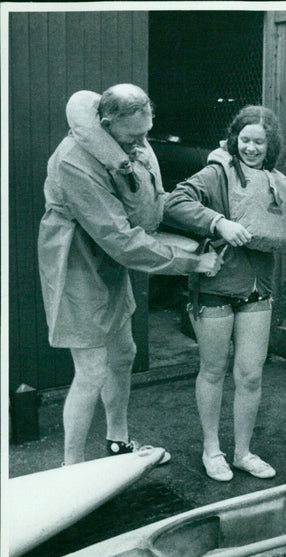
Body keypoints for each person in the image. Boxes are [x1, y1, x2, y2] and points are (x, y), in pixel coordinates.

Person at [38, 84, 222, 466]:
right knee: (90, 371)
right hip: (75, 262)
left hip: (108, 262)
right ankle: (69, 471)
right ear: (105, 124)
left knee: (123, 353)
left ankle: (117, 442)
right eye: (133, 135)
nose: (140, 144)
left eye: (145, 133)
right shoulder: (74, 160)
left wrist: (213, 223)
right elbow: (120, 238)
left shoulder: (128, 147)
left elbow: (151, 205)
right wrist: (190, 262)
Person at [164, 105, 286, 481]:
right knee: (212, 370)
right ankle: (213, 450)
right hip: (214, 287)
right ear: (234, 139)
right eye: (245, 140)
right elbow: (174, 202)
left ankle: (242, 452)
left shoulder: (276, 181)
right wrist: (218, 222)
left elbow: (281, 225)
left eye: (259, 141)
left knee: (251, 375)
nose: (252, 148)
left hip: (257, 289)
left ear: (270, 143)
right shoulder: (216, 173)